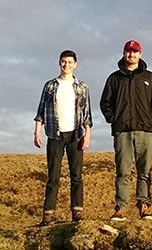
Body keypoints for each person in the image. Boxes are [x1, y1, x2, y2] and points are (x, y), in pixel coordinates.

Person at [100, 40, 152, 221]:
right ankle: (120, 207)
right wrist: (114, 119)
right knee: (123, 171)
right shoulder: (114, 79)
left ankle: (144, 205)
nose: (132, 55)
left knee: (144, 171)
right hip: (123, 131)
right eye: (129, 52)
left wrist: (150, 120)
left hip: (146, 131)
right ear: (124, 53)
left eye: (135, 52)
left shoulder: (150, 78)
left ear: (140, 54)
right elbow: (105, 103)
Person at [33, 50, 93, 226]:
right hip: (54, 134)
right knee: (53, 176)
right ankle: (48, 214)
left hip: (75, 135)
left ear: (75, 64)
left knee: (77, 176)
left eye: (69, 62)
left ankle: (77, 212)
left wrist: (87, 133)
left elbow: (87, 113)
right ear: (59, 63)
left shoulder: (82, 87)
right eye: (63, 62)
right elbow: (41, 110)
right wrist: (37, 131)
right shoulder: (50, 86)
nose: (66, 65)